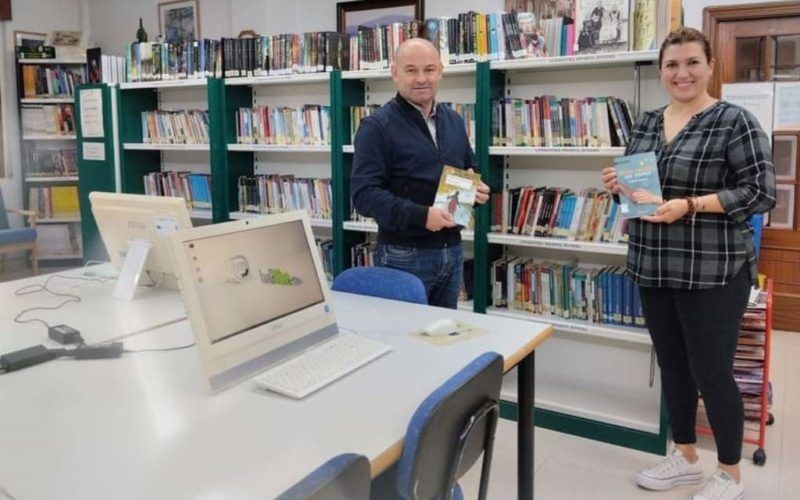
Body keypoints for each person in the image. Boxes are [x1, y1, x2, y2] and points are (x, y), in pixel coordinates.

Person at [602, 28, 775, 500]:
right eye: (672, 65)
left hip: (713, 270)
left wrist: (692, 204)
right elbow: (642, 187)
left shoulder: (734, 121)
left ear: (710, 66)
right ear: (661, 71)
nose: (682, 73)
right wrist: (619, 183)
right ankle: (684, 456)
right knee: (674, 366)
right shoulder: (647, 121)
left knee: (712, 371)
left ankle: (729, 472)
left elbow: (761, 193)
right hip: (654, 263)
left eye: (692, 63)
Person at [351, 38, 489, 309]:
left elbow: (470, 168)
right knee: (403, 337)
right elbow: (364, 196)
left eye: (429, 69)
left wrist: (478, 188)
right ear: (395, 73)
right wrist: (422, 216)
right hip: (404, 254)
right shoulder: (376, 126)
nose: (421, 78)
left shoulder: (453, 120)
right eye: (411, 70)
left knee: (442, 337)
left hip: (453, 250)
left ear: (440, 71)